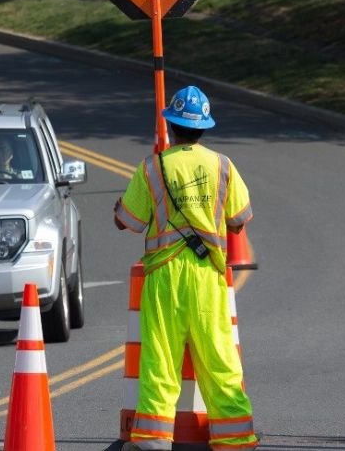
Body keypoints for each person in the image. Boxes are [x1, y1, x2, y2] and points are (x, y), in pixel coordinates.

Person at [114, 85, 258, 451]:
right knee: (219, 357)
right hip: (208, 276)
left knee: (160, 357)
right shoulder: (223, 165)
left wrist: (119, 208)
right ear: (203, 127)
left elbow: (128, 221)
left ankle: (153, 438)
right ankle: (236, 437)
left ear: (172, 126)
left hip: (164, 275)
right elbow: (240, 220)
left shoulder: (153, 167)